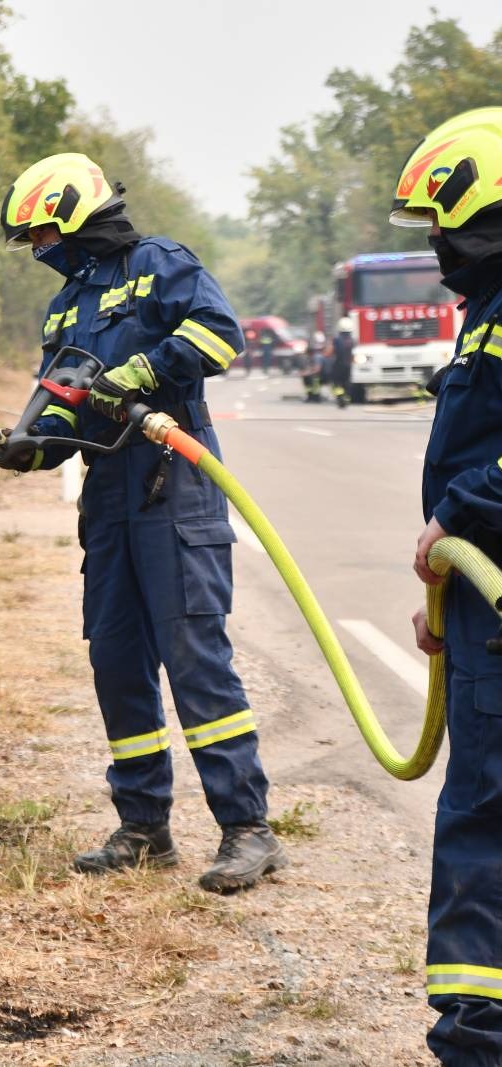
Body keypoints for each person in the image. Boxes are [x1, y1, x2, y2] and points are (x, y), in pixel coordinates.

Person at [0, 152, 285, 893]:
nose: (38, 249)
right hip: (109, 499)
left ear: (74, 217)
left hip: (172, 483)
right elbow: (62, 412)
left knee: (194, 657)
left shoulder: (159, 265)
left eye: (42, 234)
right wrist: (27, 447)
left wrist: (144, 372)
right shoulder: (64, 308)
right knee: (117, 660)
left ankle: (247, 827)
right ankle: (144, 826)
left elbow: (219, 334)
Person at [394, 106, 502, 1067]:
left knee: (484, 815)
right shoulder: (488, 313)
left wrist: (460, 515)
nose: (436, 244)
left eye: (445, 225)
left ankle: (476, 1037)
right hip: (480, 601)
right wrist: (449, 595)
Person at [330, 316, 356, 408]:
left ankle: (340, 397)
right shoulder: (353, 340)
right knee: (347, 382)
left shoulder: (337, 339)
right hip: (348, 365)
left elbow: (331, 351)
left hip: (338, 364)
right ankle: (347, 398)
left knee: (337, 382)